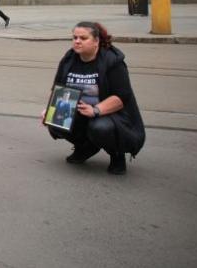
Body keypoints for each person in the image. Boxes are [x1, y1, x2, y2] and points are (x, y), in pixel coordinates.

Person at [47, 22, 145, 175]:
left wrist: (95, 110)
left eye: (83, 38)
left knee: (100, 128)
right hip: (77, 110)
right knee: (54, 121)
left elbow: (121, 97)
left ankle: (117, 154)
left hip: (109, 115)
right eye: (75, 37)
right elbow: (57, 88)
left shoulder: (112, 61)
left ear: (96, 41)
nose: (77, 41)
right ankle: (86, 147)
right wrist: (50, 110)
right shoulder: (69, 59)